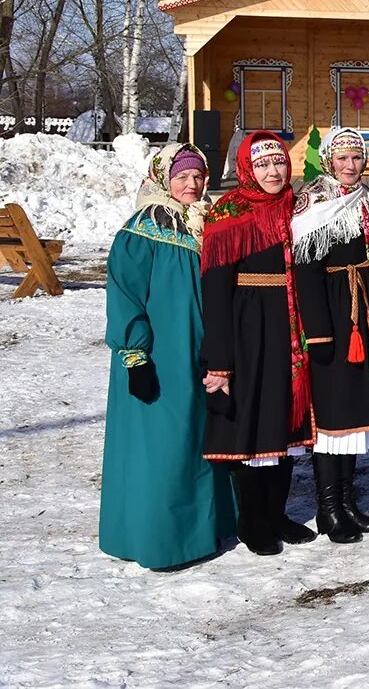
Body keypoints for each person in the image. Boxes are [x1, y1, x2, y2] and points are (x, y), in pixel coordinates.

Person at [100, 144, 235, 569]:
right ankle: (162, 541)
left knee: (200, 442)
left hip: (202, 355)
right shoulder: (143, 229)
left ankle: (202, 532)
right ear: (163, 179)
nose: (192, 184)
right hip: (162, 357)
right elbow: (125, 294)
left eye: (198, 176)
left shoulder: (206, 223)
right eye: (182, 177)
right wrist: (135, 355)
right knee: (164, 448)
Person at [291, 127, 369, 543]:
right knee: (332, 413)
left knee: (355, 410)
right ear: (329, 160)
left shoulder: (366, 198)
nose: (351, 166)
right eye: (343, 159)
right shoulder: (312, 202)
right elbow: (305, 271)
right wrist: (319, 332)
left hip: (363, 308)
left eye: (357, 158)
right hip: (332, 312)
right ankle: (328, 508)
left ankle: (347, 501)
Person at [200, 132, 315, 556]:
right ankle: (252, 520)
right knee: (254, 424)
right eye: (263, 164)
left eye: (279, 163)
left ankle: (277, 513)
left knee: (285, 423)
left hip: (290, 328)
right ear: (248, 168)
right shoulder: (229, 211)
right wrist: (220, 356)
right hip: (249, 329)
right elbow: (215, 290)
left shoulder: (298, 207)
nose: (273, 172)